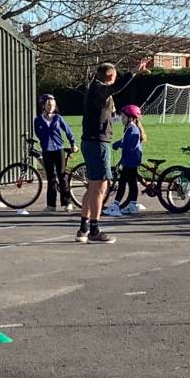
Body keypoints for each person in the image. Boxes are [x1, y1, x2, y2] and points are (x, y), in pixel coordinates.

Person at [76, 62, 126, 243]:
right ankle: (94, 230)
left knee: (92, 186)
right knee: (100, 187)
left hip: (90, 141)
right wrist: (134, 73)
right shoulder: (99, 89)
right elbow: (117, 88)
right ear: (110, 76)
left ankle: (83, 228)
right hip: (97, 143)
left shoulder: (93, 89)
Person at [34, 94, 75, 213]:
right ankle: (51, 205)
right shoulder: (38, 120)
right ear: (43, 105)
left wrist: (73, 143)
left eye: (52, 104)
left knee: (62, 176)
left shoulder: (58, 118)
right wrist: (44, 142)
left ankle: (67, 203)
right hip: (47, 151)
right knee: (51, 178)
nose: (51, 106)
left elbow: (68, 131)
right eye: (48, 104)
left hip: (58, 150)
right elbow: (38, 133)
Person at [110, 105, 147, 216]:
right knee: (132, 183)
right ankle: (132, 204)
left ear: (130, 118)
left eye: (123, 117)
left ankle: (115, 206)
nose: (122, 119)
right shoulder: (130, 128)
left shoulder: (133, 129)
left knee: (122, 183)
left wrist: (119, 144)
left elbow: (130, 145)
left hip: (130, 161)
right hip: (131, 160)